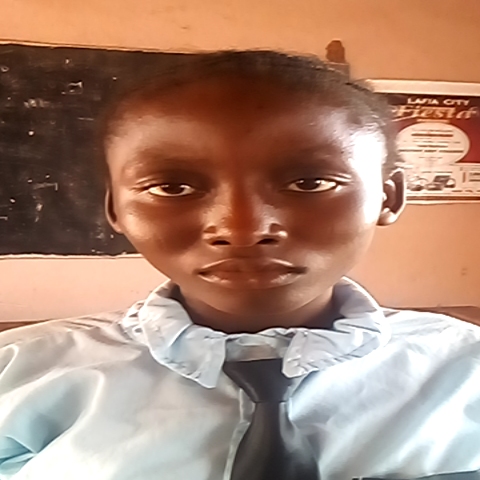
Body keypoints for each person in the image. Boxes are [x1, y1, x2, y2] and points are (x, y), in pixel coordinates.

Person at [0, 50, 479, 480]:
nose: (242, 228)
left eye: (310, 183)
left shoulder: (466, 369)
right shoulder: (19, 371)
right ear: (115, 210)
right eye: (172, 187)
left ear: (388, 197)